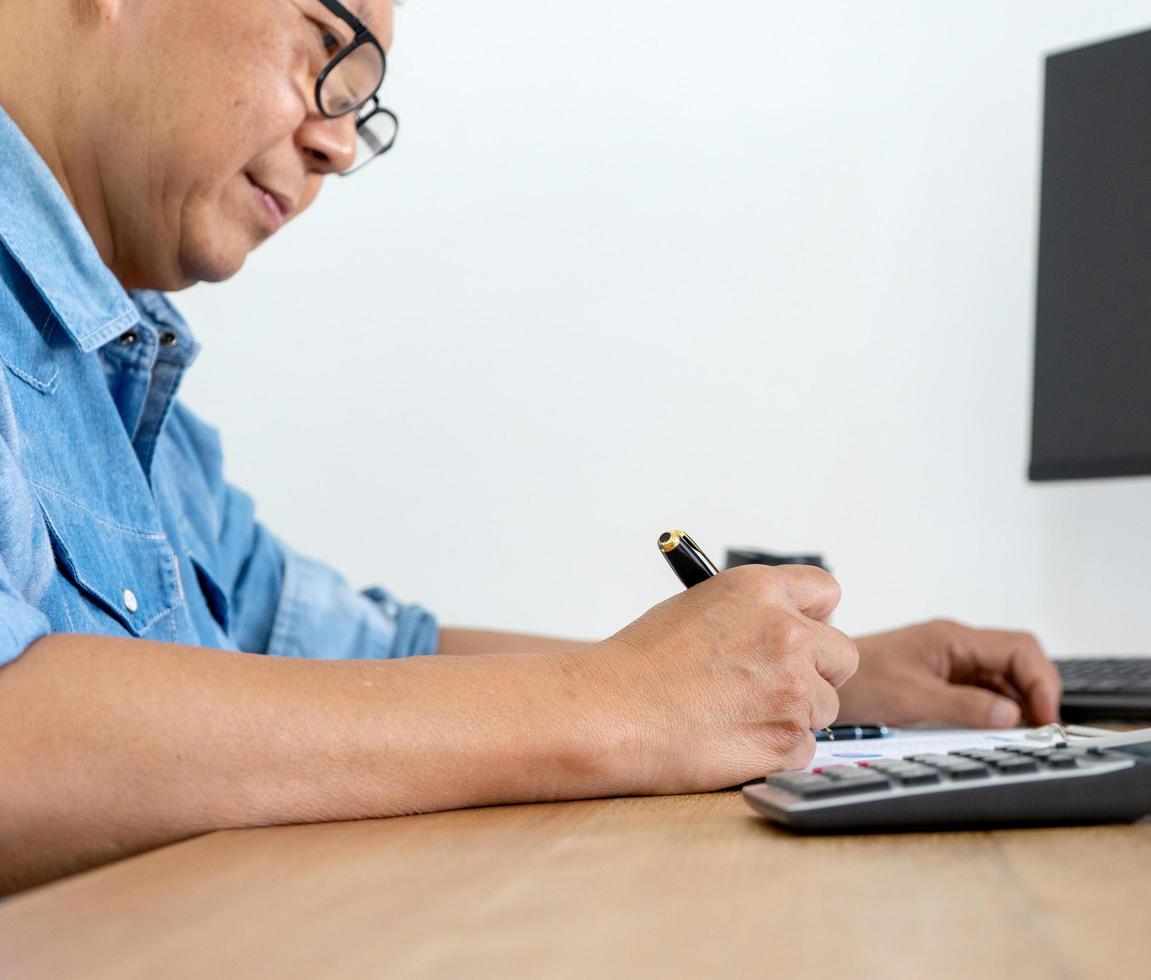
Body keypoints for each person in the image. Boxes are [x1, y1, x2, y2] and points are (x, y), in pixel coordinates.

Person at [0, 0, 1060, 894]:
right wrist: (617, 707)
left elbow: (371, 658)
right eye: (328, 51)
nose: (334, 138)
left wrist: (809, 685)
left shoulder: (125, 386)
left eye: (363, 105)